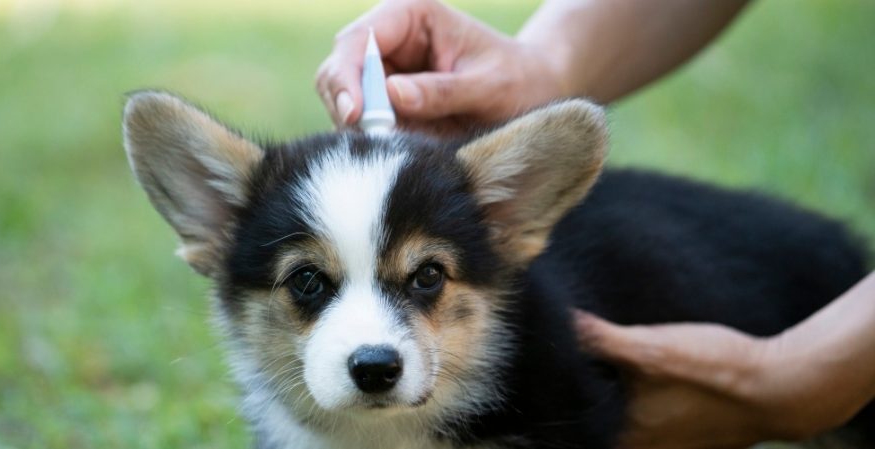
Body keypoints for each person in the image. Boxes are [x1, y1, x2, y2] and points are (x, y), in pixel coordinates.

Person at [314, 1, 875, 448]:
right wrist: (544, 65)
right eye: (311, 283)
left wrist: (806, 372)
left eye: (427, 276)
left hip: (811, 287)